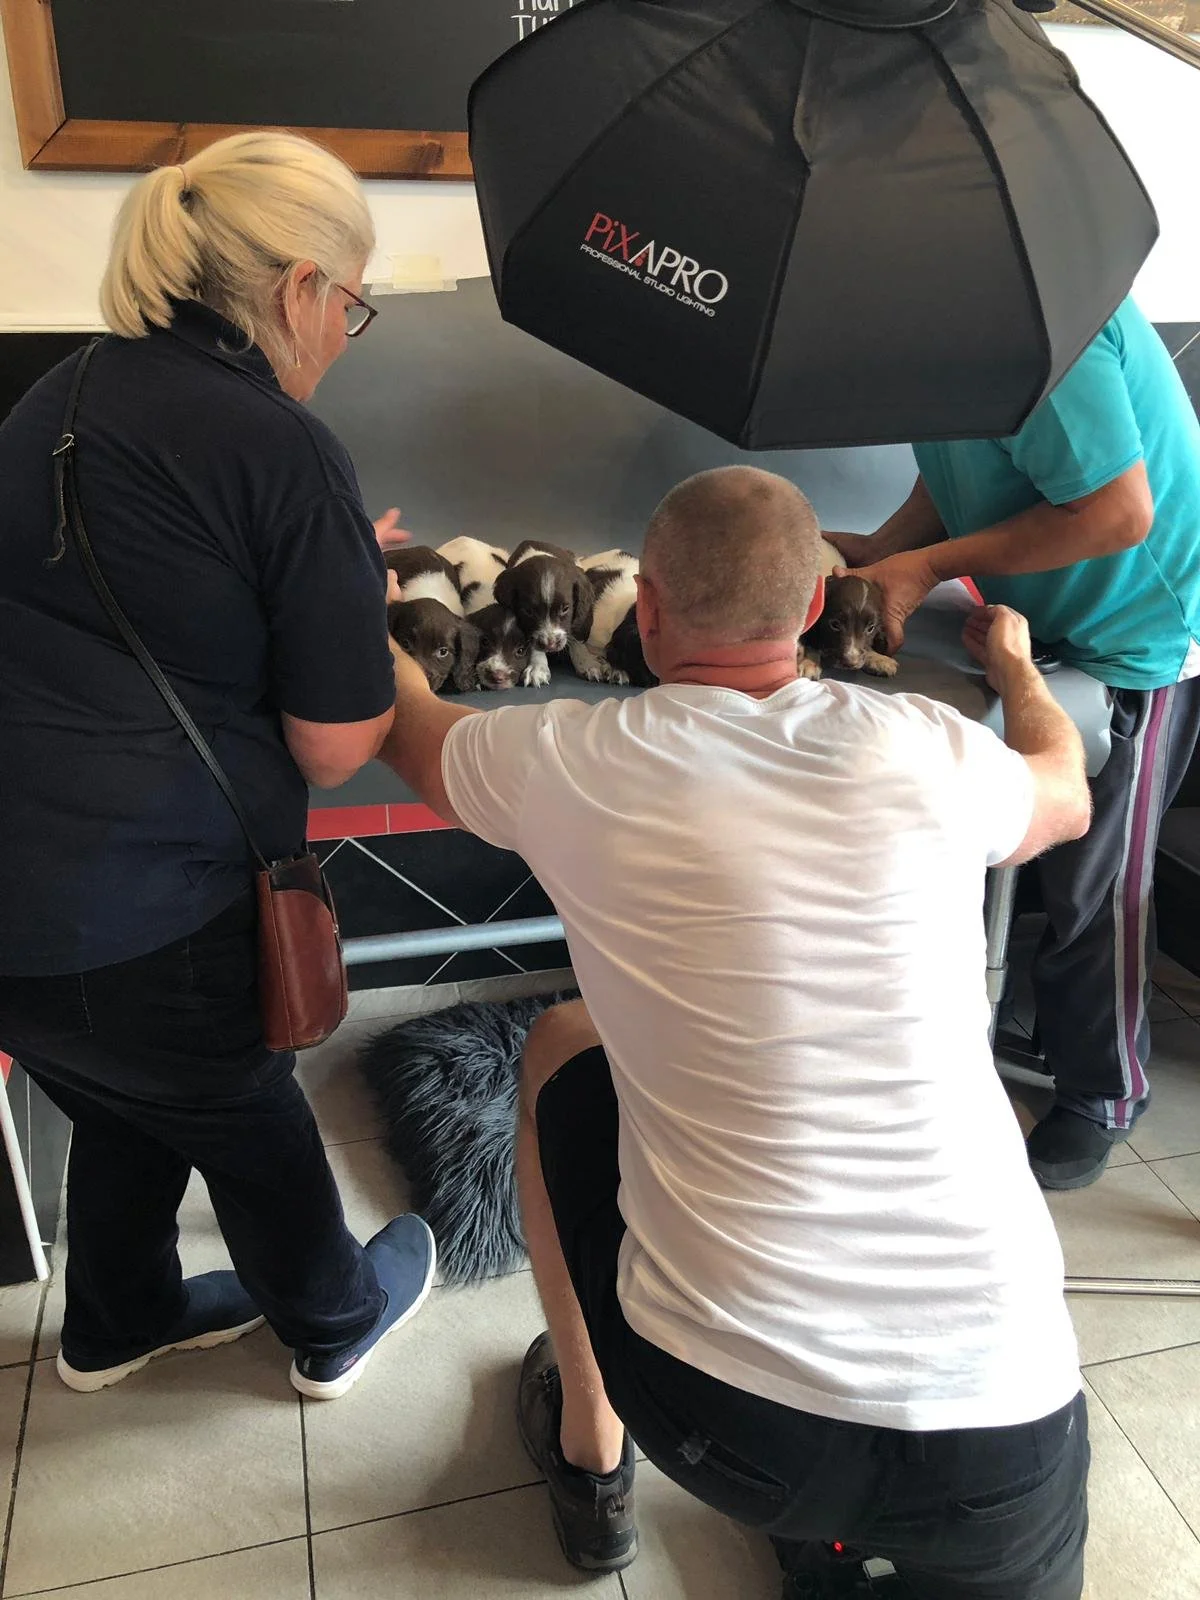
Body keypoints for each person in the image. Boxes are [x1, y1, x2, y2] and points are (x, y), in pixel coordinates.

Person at [381, 466, 1093, 1600]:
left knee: (558, 1042)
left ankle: (593, 1453)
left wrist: (356, 591)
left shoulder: (573, 758)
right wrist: (1014, 673)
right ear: (814, 608)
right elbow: (1066, 793)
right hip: (1001, 1425)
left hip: (727, 1421)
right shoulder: (927, 745)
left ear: (647, 610)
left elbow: (410, 734)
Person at [0, 132, 435, 1399]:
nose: (346, 333)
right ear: (300, 288)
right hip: (145, 902)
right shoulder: (281, 448)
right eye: (351, 303)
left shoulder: (54, 398)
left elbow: (129, 584)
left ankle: (117, 1316)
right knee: (245, 1114)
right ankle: (335, 1320)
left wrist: (318, 563)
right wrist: (369, 618)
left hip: (18, 906)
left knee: (121, 1092)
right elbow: (335, 743)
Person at [831, 297, 1200, 1191]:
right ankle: (1041, 1029)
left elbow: (1118, 513)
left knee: (1094, 882)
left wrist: (918, 568)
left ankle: (1103, 1094)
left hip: (1138, 636)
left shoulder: (1050, 321)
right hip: (1042, 623)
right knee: (1022, 848)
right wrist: (885, 549)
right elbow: (963, 468)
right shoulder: (938, 322)